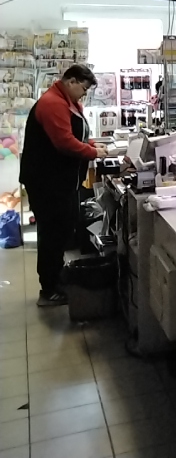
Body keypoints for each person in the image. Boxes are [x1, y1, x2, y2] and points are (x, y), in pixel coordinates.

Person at [19, 65, 107, 306]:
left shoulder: (67, 102)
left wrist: (92, 144)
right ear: (71, 81)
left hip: (61, 181)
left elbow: (76, 133)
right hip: (47, 182)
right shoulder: (53, 104)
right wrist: (92, 152)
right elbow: (64, 142)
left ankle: (57, 280)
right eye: (84, 88)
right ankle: (48, 289)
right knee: (52, 234)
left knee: (62, 230)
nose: (84, 94)